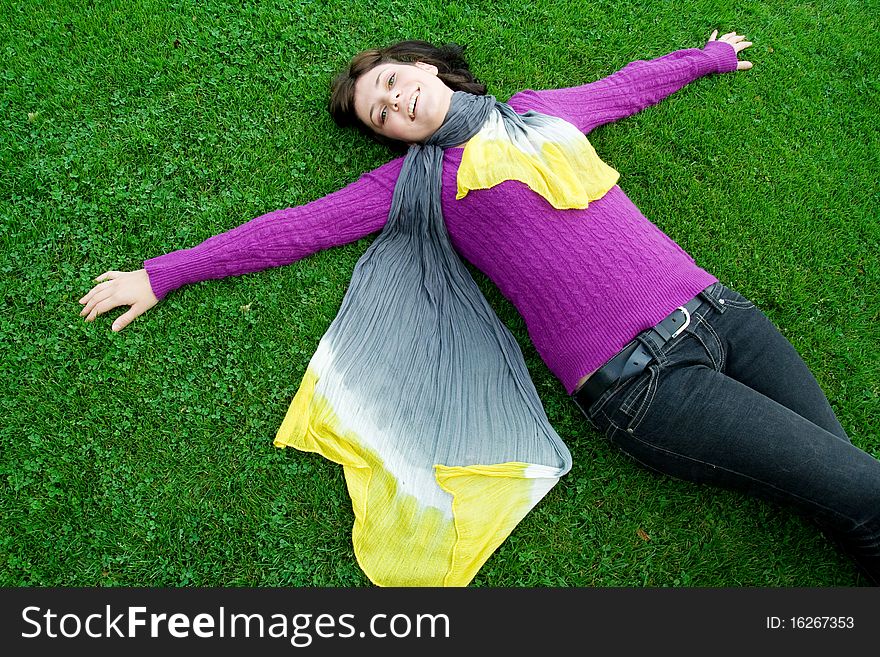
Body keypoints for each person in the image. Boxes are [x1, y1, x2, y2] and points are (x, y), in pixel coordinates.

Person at [78, 30, 880, 585]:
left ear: (430, 68)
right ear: (388, 140)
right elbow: (291, 229)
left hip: (722, 312)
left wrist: (705, 58)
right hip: (647, 386)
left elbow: (625, 87)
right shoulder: (417, 184)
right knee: (861, 488)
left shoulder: (541, 112)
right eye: (379, 116)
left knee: (853, 497)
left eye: (394, 84)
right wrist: (165, 272)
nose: (395, 106)